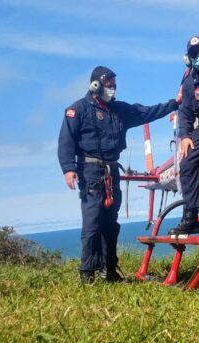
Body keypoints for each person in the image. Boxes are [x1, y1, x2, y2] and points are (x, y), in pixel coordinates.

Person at [58, 65, 178, 284]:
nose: (112, 89)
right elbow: (66, 141)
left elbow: (147, 112)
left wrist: (175, 103)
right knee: (92, 223)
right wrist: (69, 169)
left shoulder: (119, 110)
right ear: (95, 85)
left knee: (111, 224)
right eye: (108, 86)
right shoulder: (78, 110)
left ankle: (109, 270)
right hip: (90, 172)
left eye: (114, 86)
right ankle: (87, 273)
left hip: (112, 171)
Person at [169, 36, 199, 235]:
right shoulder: (189, 83)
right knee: (186, 166)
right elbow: (185, 112)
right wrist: (185, 136)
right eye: (194, 54)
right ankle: (191, 217)